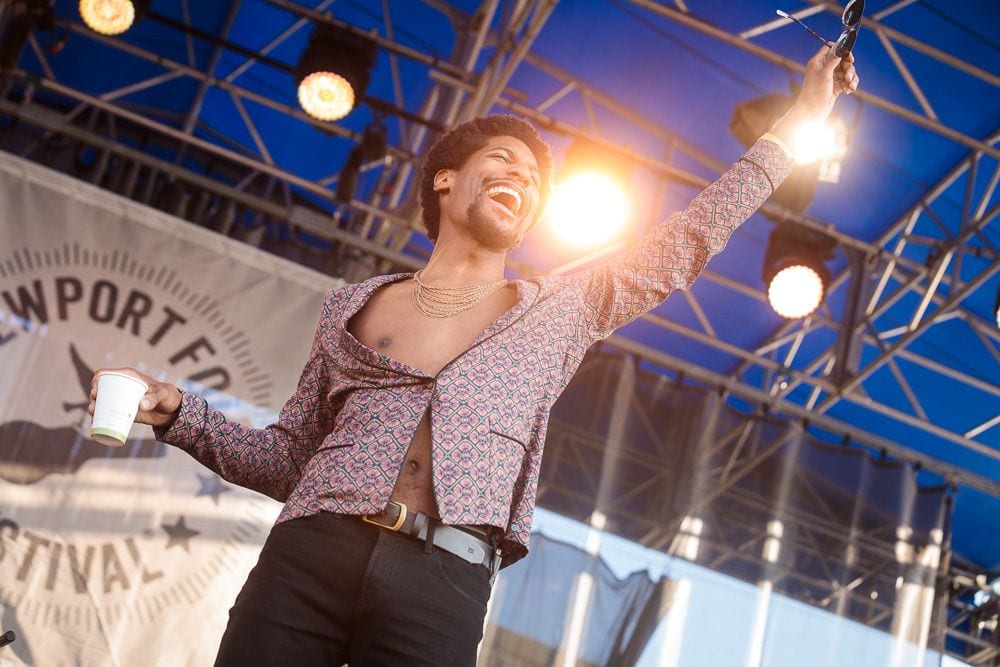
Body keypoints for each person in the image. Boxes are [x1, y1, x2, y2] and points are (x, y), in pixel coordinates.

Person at [90, 45, 858, 666]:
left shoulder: (563, 305)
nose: (521, 178)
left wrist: (798, 122)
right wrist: (177, 412)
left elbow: (691, 235)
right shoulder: (350, 308)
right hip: (311, 551)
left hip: (443, 577)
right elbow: (291, 458)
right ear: (447, 178)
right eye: (504, 161)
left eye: (534, 180)